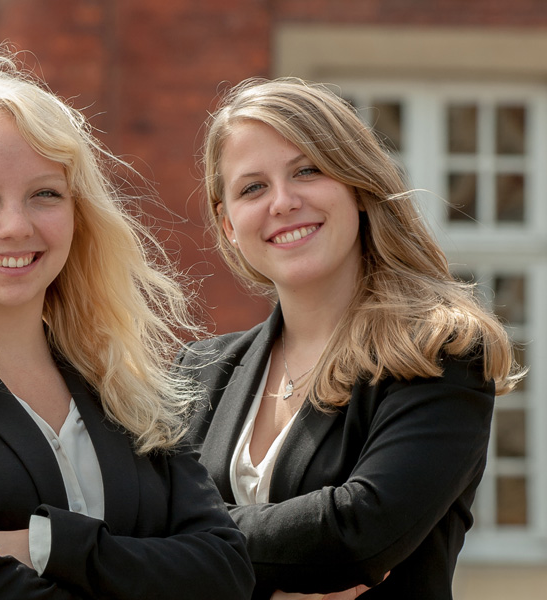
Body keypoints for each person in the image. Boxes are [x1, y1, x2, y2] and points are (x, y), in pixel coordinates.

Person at [0, 46, 254, 600]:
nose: (15, 226)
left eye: (45, 195)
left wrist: (49, 545)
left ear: (77, 214)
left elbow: (225, 571)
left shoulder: (127, 389)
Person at [176, 77, 524, 600]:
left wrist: (184, 541)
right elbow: (136, 521)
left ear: (358, 186)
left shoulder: (438, 352)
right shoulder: (199, 371)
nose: (282, 202)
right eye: (252, 188)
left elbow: (357, 535)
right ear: (228, 224)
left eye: (307, 170)